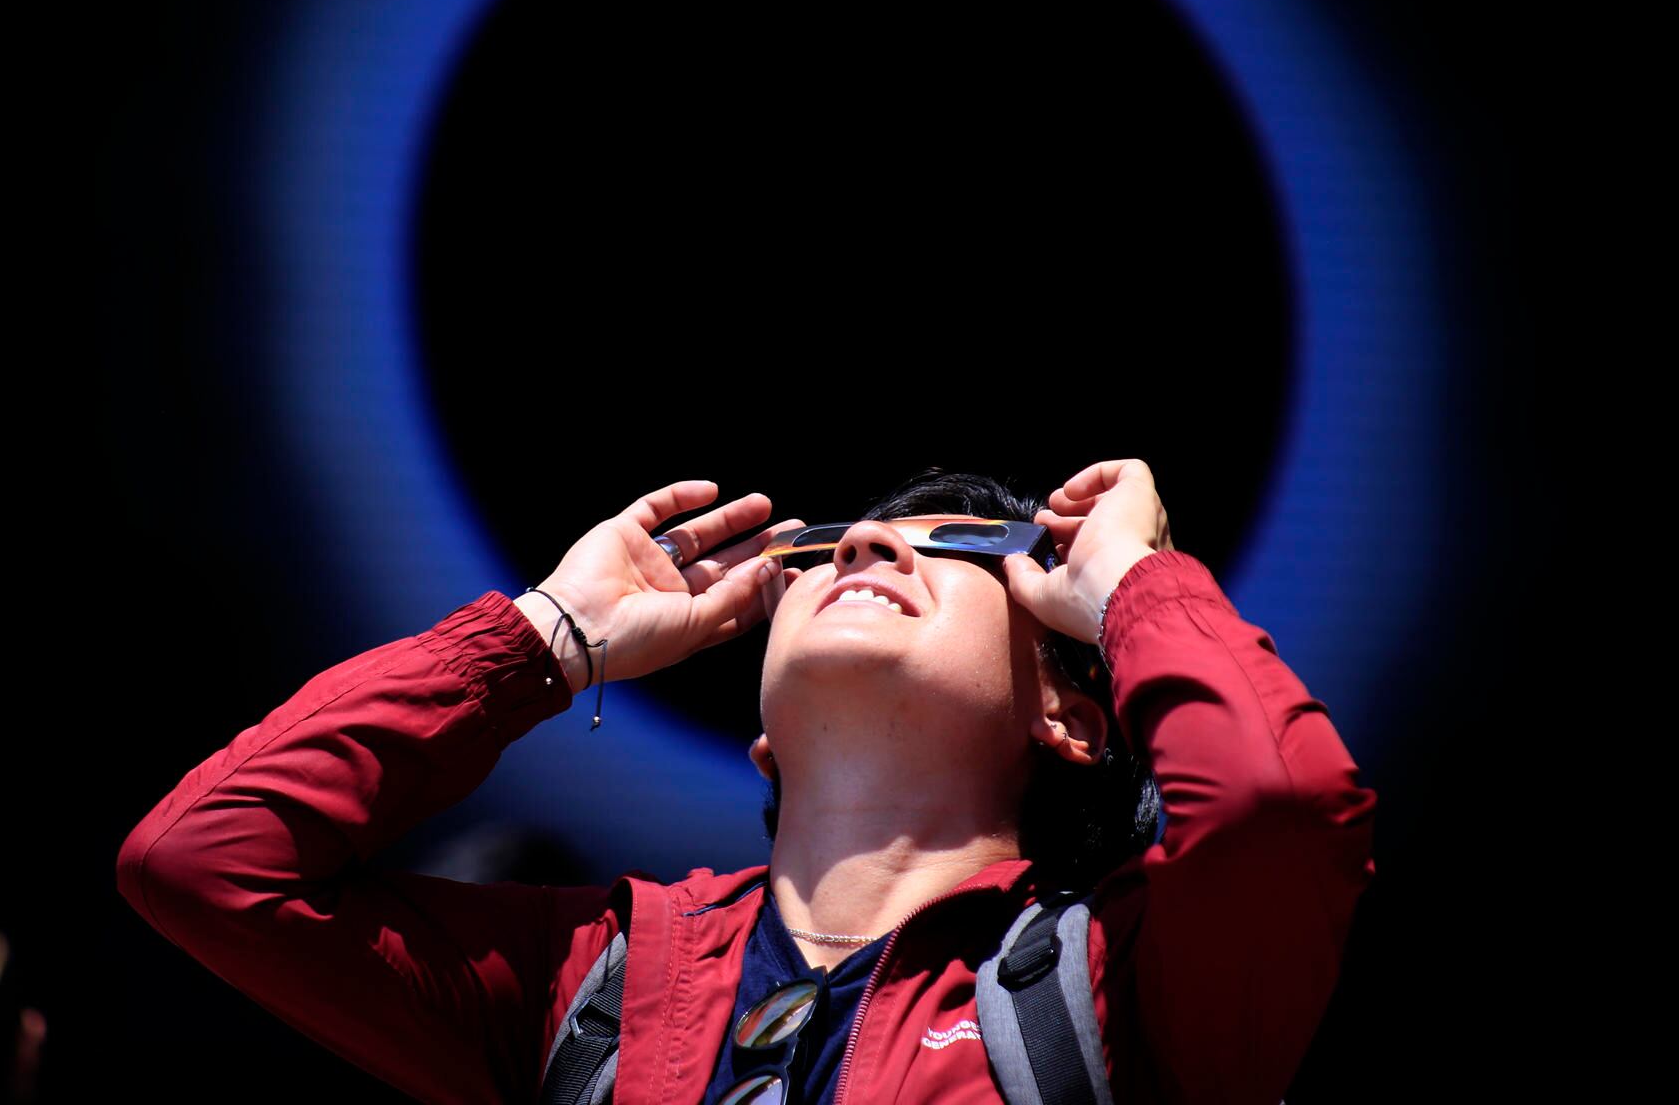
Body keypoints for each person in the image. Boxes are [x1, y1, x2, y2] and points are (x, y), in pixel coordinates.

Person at [117, 460, 1376, 1103]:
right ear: (767, 741)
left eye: (959, 545)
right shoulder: (589, 979)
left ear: (1069, 715)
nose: (866, 543)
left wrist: (1134, 585)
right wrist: (546, 637)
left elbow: (1274, 807)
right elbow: (206, 862)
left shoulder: (1124, 985)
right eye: (831, 548)